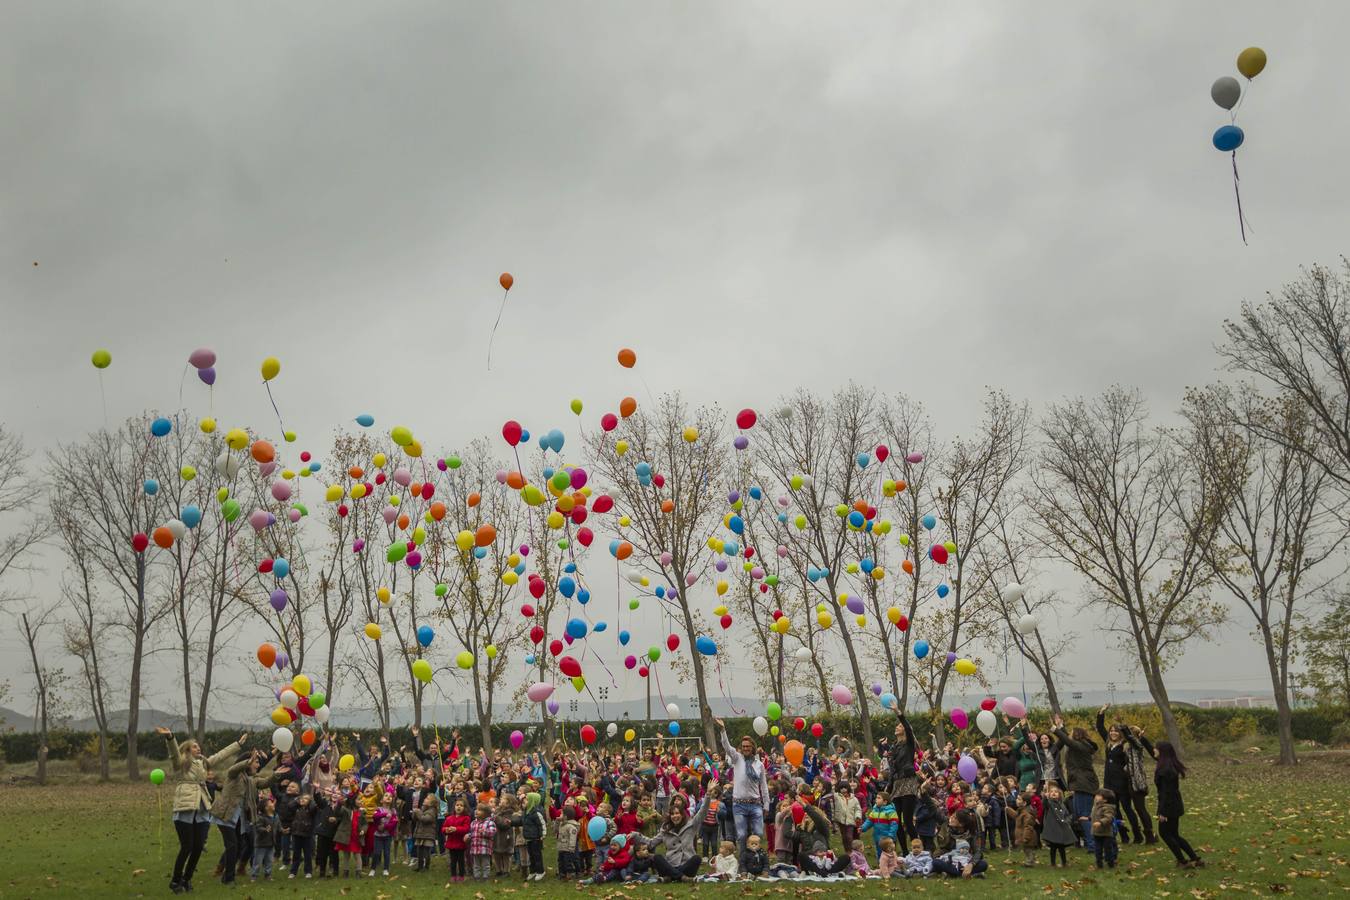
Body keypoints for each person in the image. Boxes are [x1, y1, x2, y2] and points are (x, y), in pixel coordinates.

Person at [158, 727, 246, 894]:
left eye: (199, 746)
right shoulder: (182, 763)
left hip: (202, 809)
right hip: (185, 808)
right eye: (194, 746)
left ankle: (187, 880)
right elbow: (174, 754)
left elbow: (219, 756)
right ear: (187, 750)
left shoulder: (203, 763)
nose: (198, 748)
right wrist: (170, 737)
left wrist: (237, 744)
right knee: (187, 847)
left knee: (198, 847)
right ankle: (175, 881)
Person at [1096, 706, 1154, 844]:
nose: (1113, 733)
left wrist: (1123, 727)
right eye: (1111, 731)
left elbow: (1135, 743)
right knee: (1114, 811)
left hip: (1122, 782)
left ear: (1120, 733)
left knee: (1127, 809)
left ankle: (1137, 834)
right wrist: (1101, 713)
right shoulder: (1108, 743)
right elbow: (1100, 728)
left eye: (1116, 731)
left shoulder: (1124, 745)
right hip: (1109, 782)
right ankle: (1123, 835)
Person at [715, 718, 770, 851]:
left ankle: (756, 860)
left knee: (758, 833)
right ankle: (744, 862)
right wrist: (723, 730)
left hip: (755, 804)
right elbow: (727, 747)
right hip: (739, 804)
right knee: (742, 835)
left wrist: (766, 805)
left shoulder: (759, 765)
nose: (745, 748)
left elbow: (763, 786)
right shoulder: (737, 759)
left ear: (752, 748)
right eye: (743, 746)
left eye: (748, 746)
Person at [1151, 741, 1204, 869]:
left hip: (1169, 806)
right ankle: (1195, 859)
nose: (1154, 750)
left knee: (1165, 833)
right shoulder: (1168, 765)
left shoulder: (1165, 770)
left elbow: (1166, 793)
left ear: (1162, 752)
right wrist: (1141, 739)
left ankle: (1182, 861)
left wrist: (1162, 812)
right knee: (1174, 834)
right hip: (1174, 804)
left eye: (1156, 748)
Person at [1051, 715, 1099, 851]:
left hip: (1084, 784)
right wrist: (1061, 726)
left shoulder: (1082, 746)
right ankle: (1091, 842)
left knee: (1084, 815)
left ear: (1077, 736)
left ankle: (1093, 845)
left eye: (1072, 733)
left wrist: (1055, 730)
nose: (1070, 735)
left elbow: (1069, 741)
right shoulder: (1079, 745)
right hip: (1079, 783)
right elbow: (1068, 739)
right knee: (1079, 815)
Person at [648, 790, 710, 881]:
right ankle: (681, 877)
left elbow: (702, 813)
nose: (674, 816)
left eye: (677, 813)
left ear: (682, 814)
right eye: (672, 814)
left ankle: (670, 877)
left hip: (686, 866)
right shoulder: (665, 829)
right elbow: (652, 842)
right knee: (657, 857)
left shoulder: (691, 825)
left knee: (696, 858)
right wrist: (635, 836)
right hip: (671, 864)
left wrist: (707, 795)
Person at [887, 714, 920, 846]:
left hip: (908, 783)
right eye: (898, 725)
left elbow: (908, 728)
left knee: (907, 820)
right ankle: (905, 852)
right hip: (896, 784)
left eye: (900, 726)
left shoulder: (910, 744)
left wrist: (898, 713)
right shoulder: (894, 747)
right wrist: (889, 785)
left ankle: (917, 848)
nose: (897, 727)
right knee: (896, 821)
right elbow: (892, 769)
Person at [1040, 783, 1076, 868]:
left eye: (1056, 792)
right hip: (1052, 829)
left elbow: (1067, 814)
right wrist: (1045, 795)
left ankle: (1064, 863)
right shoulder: (1049, 803)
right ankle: (1053, 863)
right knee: (1053, 847)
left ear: (1059, 794)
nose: (1053, 793)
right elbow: (1044, 803)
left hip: (1061, 829)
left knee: (1061, 847)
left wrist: (1067, 821)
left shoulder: (1062, 804)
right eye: (1051, 791)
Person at [287, 790, 317, 879]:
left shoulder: (311, 810)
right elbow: (289, 806)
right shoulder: (296, 808)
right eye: (302, 798)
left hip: (307, 835)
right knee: (296, 854)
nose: (303, 800)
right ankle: (293, 871)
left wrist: (310, 800)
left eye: (306, 799)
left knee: (307, 854)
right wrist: (297, 800)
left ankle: (308, 871)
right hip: (296, 833)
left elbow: (313, 807)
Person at [860, 790, 898, 857]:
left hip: (888, 838)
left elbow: (894, 825)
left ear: (885, 802)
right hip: (877, 837)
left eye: (879, 798)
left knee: (889, 854)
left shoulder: (891, 812)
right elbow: (869, 821)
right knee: (879, 853)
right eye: (876, 797)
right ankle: (881, 865)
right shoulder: (874, 811)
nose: (876, 799)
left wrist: (890, 836)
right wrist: (863, 828)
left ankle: (892, 866)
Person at [442, 797, 471, 882]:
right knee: (453, 861)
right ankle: (453, 876)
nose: (459, 807)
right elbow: (443, 828)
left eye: (461, 805)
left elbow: (466, 829)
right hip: (451, 843)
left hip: (461, 843)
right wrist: (446, 830)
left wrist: (456, 829)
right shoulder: (449, 818)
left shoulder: (466, 818)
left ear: (465, 807)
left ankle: (461, 876)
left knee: (461, 861)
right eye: (457, 805)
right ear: (454, 806)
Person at [371, 790, 398, 876]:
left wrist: (385, 826)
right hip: (378, 835)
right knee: (376, 853)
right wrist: (384, 814)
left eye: (390, 796)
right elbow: (375, 817)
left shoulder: (393, 811)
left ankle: (386, 869)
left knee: (387, 853)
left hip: (388, 836)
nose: (388, 797)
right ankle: (373, 869)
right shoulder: (378, 809)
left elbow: (394, 822)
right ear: (382, 800)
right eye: (386, 796)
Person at [468, 802, 497, 881]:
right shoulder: (473, 823)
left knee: (485, 864)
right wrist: (468, 836)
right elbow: (472, 833)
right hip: (475, 847)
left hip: (484, 848)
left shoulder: (490, 823)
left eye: (480, 810)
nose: (476, 811)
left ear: (486, 813)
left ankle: (485, 876)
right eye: (476, 809)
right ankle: (476, 876)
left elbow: (492, 832)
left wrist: (484, 831)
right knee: (476, 864)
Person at [250, 798, 278, 881]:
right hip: (261, 844)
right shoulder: (260, 818)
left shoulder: (275, 816)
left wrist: (283, 830)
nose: (273, 803)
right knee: (257, 861)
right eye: (271, 803)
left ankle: (268, 875)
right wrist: (265, 830)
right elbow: (258, 828)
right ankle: (254, 875)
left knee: (269, 861)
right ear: (266, 808)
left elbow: (278, 826)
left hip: (271, 843)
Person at [1090, 789, 1118, 869]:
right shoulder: (1095, 806)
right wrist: (1088, 818)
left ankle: (1110, 863)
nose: (1096, 796)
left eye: (1099, 796)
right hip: (1096, 832)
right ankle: (1099, 864)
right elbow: (1093, 816)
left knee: (1107, 849)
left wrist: (1100, 822)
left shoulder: (1108, 808)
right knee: (1097, 849)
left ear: (1105, 800)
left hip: (1106, 833)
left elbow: (1109, 818)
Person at [412, 795, 439, 872]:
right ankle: (420, 866)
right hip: (420, 834)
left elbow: (425, 819)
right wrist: (415, 813)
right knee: (419, 851)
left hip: (428, 835)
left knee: (426, 851)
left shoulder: (432, 811)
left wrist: (418, 812)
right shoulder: (423, 809)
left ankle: (426, 866)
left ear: (432, 803)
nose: (424, 799)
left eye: (427, 798)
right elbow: (416, 819)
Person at [1013, 795, 1039, 867]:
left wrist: (1026, 837)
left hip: (1028, 836)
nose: (1016, 800)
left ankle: (1030, 863)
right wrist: (1008, 809)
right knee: (1026, 849)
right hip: (1023, 835)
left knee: (1029, 850)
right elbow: (1015, 816)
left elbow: (1028, 826)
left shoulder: (1026, 814)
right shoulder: (1021, 811)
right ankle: (1030, 861)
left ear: (1024, 803)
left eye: (1019, 799)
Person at [556, 806, 580, 879]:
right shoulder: (561, 824)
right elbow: (555, 830)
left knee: (568, 862)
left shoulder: (571, 827)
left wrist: (571, 848)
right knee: (560, 861)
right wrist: (557, 822)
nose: (560, 815)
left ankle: (570, 873)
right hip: (561, 847)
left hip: (568, 848)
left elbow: (573, 838)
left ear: (565, 816)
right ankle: (562, 873)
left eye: (561, 814)